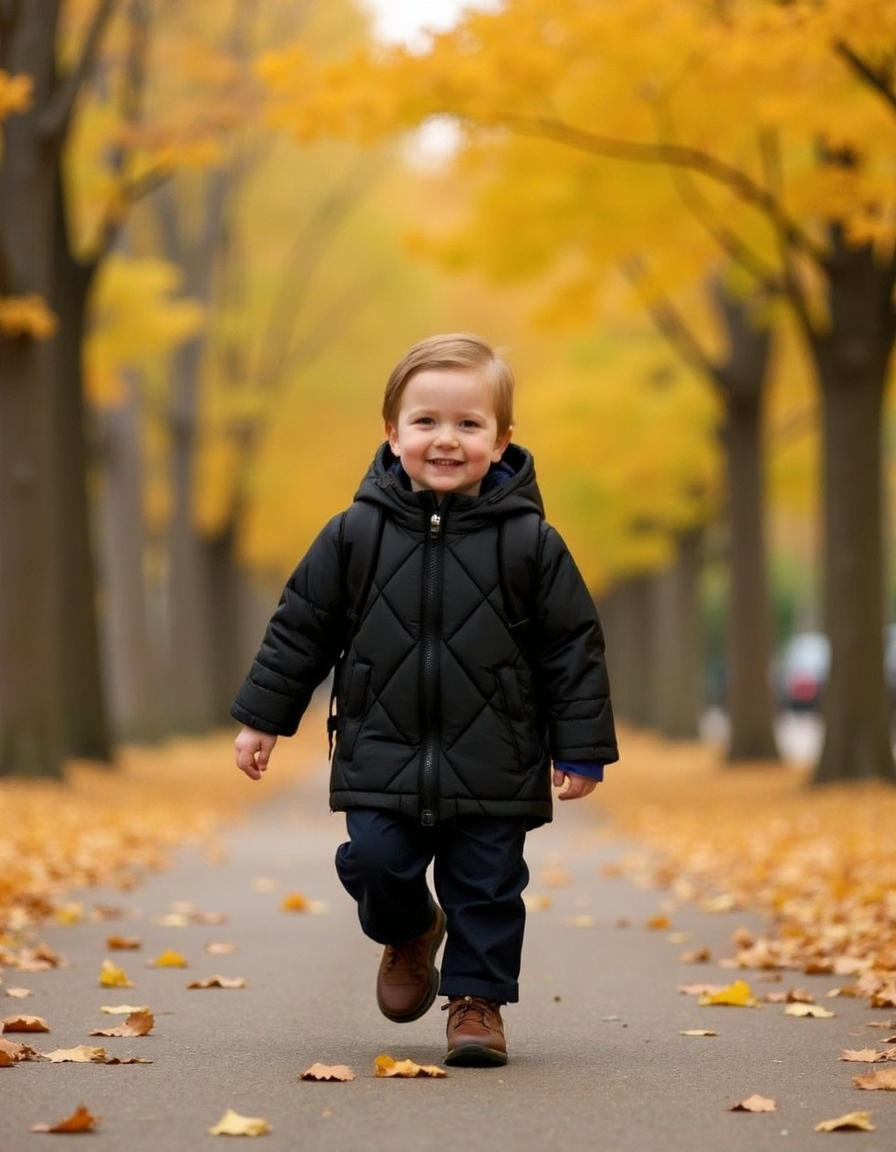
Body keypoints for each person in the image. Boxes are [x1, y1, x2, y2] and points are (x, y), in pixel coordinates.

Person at [231, 333, 618, 1067]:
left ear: (502, 441)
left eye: (468, 425)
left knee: (488, 886)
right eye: (426, 422)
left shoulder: (532, 544)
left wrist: (582, 745)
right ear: (392, 432)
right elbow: (300, 630)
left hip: (498, 752)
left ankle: (476, 1005)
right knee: (376, 859)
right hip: (382, 746)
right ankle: (409, 928)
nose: (446, 440)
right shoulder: (353, 536)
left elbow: (573, 647)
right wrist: (263, 718)